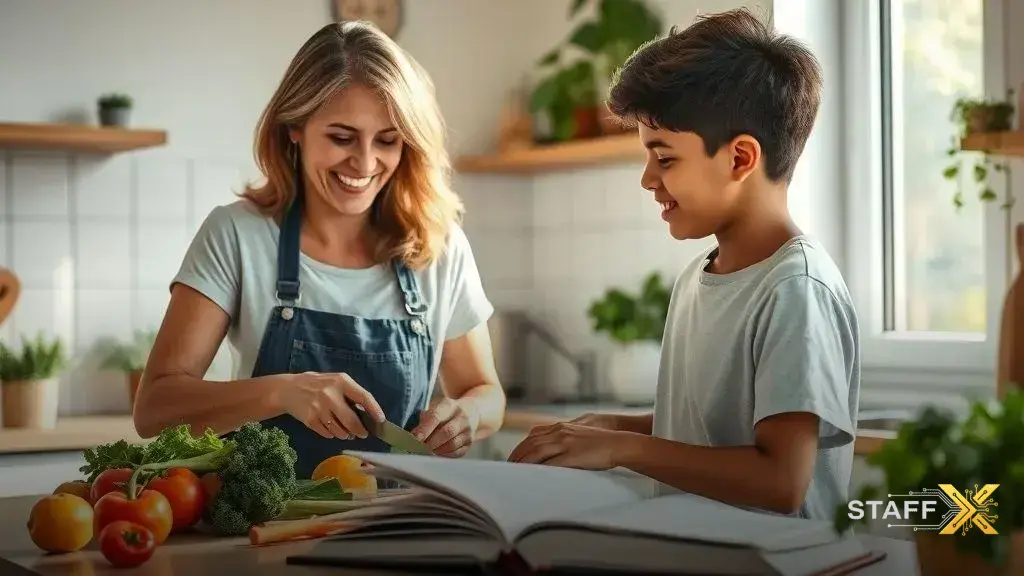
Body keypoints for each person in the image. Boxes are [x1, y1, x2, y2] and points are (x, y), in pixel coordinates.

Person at [508, 8, 861, 522]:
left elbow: (781, 480)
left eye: (665, 157)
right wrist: (614, 426)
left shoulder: (795, 289)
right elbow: (709, 431)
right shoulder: (699, 276)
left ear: (740, 158)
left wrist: (623, 451)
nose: (648, 179)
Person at [133, 21, 506, 478]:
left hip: (401, 526)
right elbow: (155, 407)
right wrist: (282, 392)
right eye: (342, 137)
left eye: (387, 140)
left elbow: (486, 393)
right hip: (266, 532)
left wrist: (468, 415)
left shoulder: (438, 245)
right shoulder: (237, 235)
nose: (365, 163)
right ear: (294, 127)